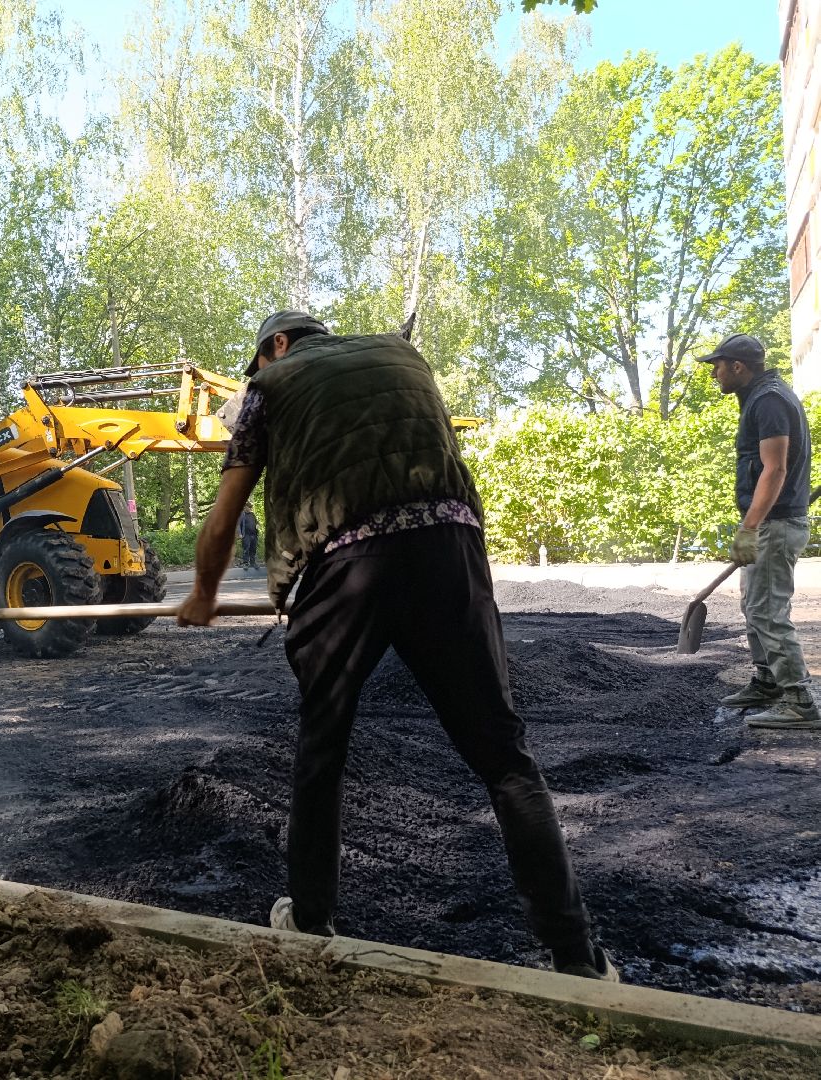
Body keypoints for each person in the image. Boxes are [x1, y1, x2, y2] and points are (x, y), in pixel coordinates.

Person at [178, 310, 616, 980]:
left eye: (256, 362)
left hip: (350, 562)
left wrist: (203, 593)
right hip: (449, 547)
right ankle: (577, 958)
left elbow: (225, 515)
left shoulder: (271, 388)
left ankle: (312, 920)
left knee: (322, 747)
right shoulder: (403, 358)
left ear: (278, 346)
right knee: (504, 758)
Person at [701, 333, 816, 729]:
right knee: (754, 605)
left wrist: (750, 527)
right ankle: (769, 681)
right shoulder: (763, 397)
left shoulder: (768, 401)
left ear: (738, 366)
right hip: (770, 521)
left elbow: (776, 468)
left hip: (776, 523)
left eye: (718, 366)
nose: (714, 374)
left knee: (768, 610)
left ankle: (799, 699)